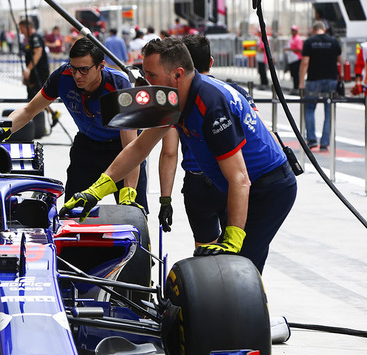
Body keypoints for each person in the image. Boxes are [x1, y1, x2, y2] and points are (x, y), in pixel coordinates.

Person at [63, 37, 296, 277]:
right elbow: (138, 149)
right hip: (238, 186)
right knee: (228, 270)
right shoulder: (174, 98)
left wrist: (233, 238)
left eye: (151, 75)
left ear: (177, 74)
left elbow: (240, 178)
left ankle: (250, 311)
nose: (145, 83)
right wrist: (95, 191)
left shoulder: (211, 105)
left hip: (269, 188)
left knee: (239, 269)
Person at [0, 37, 147, 211]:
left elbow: (131, 147)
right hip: (87, 147)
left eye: (84, 70)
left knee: (133, 214)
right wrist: (1, 130)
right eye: (74, 68)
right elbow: (28, 110)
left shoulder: (119, 86)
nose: (77, 75)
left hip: (121, 149)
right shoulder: (63, 76)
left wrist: (129, 193)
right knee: (71, 211)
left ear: (101, 66)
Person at [158, 34, 261, 247]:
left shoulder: (177, 101)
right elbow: (258, 133)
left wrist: (165, 200)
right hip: (231, 181)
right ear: (211, 62)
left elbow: (169, 151)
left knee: (205, 253)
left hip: (197, 184)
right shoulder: (234, 91)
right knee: (240, 255)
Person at [299, 20, 342, 151]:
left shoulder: (309, 42)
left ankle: (311, 140)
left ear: (313, 30)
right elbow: (339, 61)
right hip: (331, 80)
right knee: (329, 111)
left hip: (313, 80)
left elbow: (305, 62)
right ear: (324, 29)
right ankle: (324, 143)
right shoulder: (334, 41)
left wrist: (301, 82)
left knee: (309, 109)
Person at [18, 18, 50, 101]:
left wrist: (28, 69)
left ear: (28, 27)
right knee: (33, 98)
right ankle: (52, 113)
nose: (21, 32)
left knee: (37, 98)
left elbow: (38, 53)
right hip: (33, 75)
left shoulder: (36, 37)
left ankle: (52, 113)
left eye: (22, 29)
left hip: (39, 74)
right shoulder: (30, 39)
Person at [284, 25, 303, 93]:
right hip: (291, 59)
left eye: (294, 30)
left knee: (296, 75)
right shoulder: (292, 38)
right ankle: (295, 88)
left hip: (296, 59)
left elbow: (299, 49)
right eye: (292, 30)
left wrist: (289, 49)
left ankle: (297, 89)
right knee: (293, 74)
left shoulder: (298, 39)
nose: (292, 32)